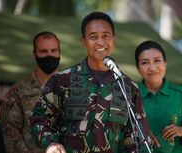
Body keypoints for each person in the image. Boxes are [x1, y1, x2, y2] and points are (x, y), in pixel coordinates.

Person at [30, 12, 156, 153]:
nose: (100, 42)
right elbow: (39, 121)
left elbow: (137, 137)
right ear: (83, 41)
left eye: (105, 36)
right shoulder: (62, 80)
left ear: (114, 40)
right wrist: (51, 144)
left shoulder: (128, 87)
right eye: (93, 37)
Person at [135, 40, 182, 153]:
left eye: (157, 61)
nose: (152, 68)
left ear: (165, 64)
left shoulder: (181, 94)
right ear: (138, 68)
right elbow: (117, 134)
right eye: (145, 62)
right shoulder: (128, 95)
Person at [0, 31, 61, 153]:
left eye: (53, 51)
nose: (49, 55)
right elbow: (11, 131)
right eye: (43, 51)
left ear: (59, 52)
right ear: (34, 54)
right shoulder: (18, 91)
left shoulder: (74, 88)